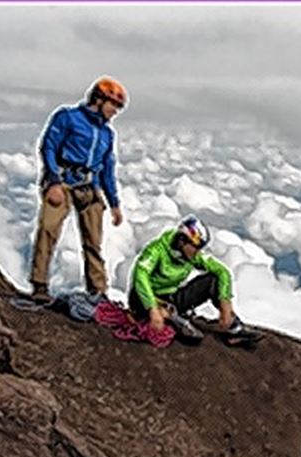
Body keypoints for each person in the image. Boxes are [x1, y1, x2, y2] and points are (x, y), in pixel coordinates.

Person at [29, 77, 127, 303]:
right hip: (62, 181)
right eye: (113, 105)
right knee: (48, 230)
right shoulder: (68, 117)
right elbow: (49, 146)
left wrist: (114, 203)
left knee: (93, 241)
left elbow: (107, 168)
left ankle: (98, 291)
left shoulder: (107, 134)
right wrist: (53, 181)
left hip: (89, 186)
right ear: (99, 99)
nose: (114, 112)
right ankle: (39, 284)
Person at [128, 215, 252, 344]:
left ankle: (233, 328)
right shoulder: (156, 250)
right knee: (191, 337)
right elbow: (140, 275)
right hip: (143, 298)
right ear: (182, 241)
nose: (197, 252)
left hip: (171, 298)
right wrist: (152, 308)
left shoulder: (191, 256)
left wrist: (225, 304)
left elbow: (222, 272)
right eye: (195, 247)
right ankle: (168, 318)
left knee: (213, 280)